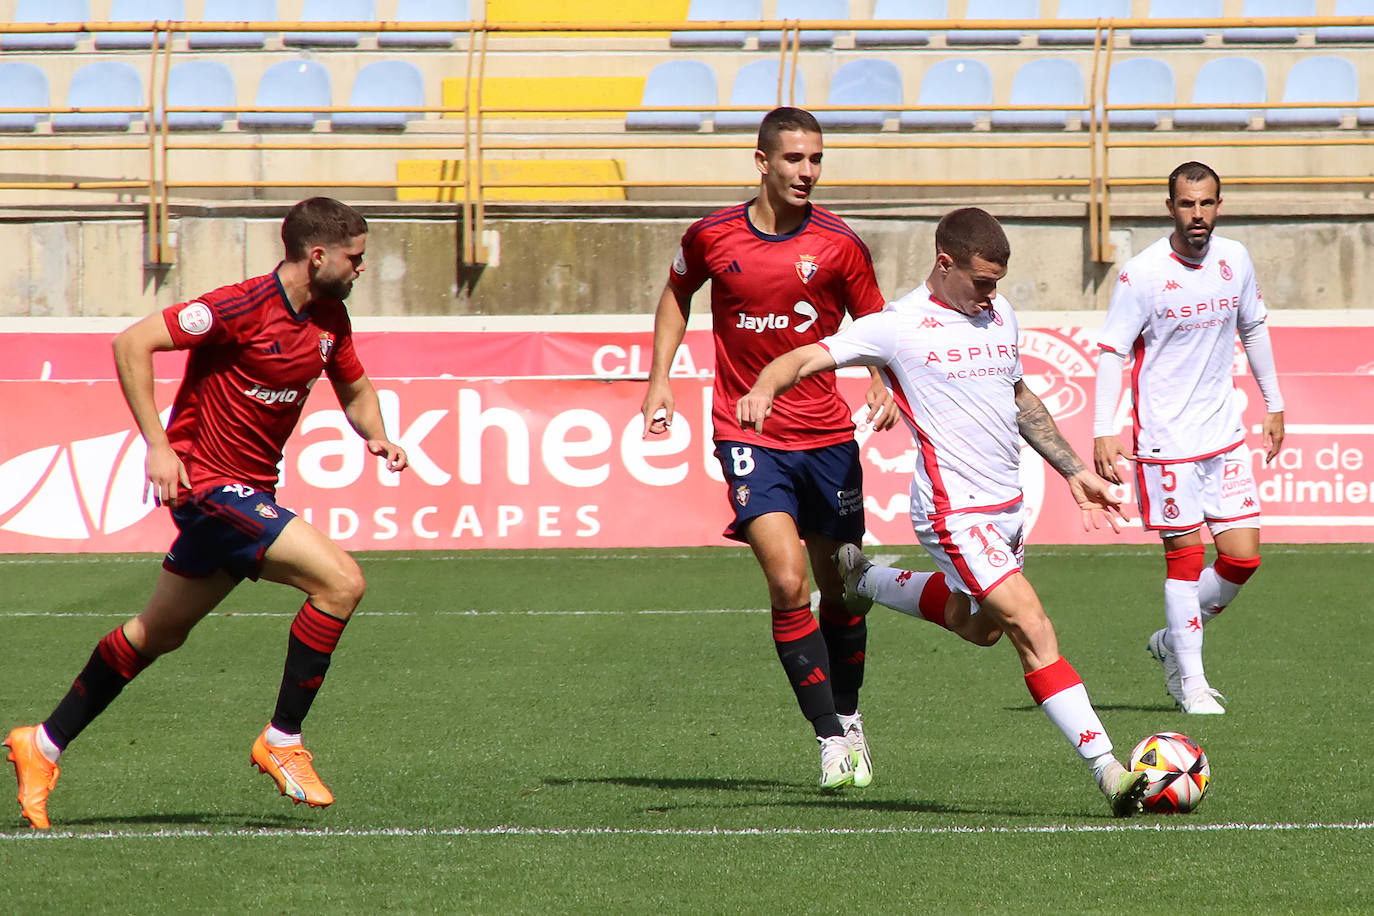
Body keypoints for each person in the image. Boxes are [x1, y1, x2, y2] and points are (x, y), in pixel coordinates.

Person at [4, 197, 408, 830]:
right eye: (355, 258)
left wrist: (375, 434)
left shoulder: (332, 319)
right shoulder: (238, 306)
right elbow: (131, 342)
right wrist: (158, 446)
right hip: (206, 486)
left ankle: (43, 743)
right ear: (318, 255)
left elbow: (353, 387)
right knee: (340, 581)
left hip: (251, 492)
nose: (363, 268)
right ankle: (282, 739)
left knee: (157, 635)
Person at [737, 207, 1151, 816]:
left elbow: (1019, 397)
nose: (992, 294)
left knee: (977, 625)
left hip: (1007, 509)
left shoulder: (998, 313)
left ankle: (865, 578)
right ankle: (1110, 771)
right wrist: (764, 388)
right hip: (954, 511)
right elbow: (805, 358)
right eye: (982, 281)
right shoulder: (898, 326)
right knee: (1030, 626)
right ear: (944, 263)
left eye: (997, 282)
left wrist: (1074, 472)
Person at [640, 107, 897, 791]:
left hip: (827, 435)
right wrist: (660, 379)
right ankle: (829, 738)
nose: (807, 171)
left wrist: (878, 380)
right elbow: (676, 293)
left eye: (815, 159)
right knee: (788, 580)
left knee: (842, 585)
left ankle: (849, 714)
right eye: (793, 159)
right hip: (748, 431)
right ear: (762, 162)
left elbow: (875, 323)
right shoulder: (712, 235)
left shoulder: (841, 244)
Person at [1093, 161, 1285, 716]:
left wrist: (1274, 402)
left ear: (1219, 206)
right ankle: (1192, 684)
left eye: (1206, 204)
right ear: (1170, 206)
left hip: (1223, 434)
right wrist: (1104, 427)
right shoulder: (1143, 273)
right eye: (1186, 204)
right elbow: (1113, 350)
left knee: (1242, 560)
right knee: (1184, 558)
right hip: (1166, 439)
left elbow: (1253, 328)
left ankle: (1174, 637)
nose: (1196, 214)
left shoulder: (1235, 260)